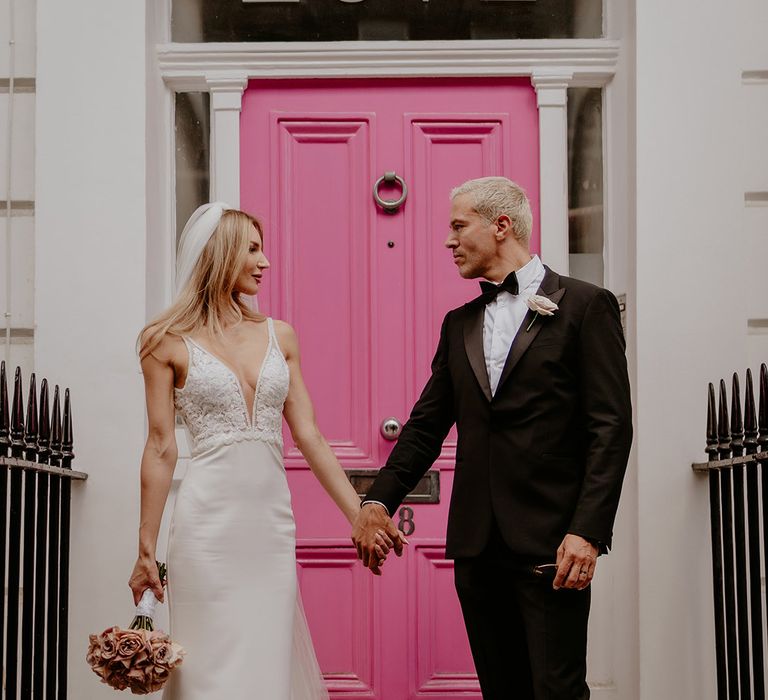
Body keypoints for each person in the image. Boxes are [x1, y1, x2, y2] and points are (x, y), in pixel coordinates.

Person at [352, 177, 632, 699]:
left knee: (557, 690)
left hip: (554, 544)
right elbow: (425, 427)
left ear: (500, 226)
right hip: (478, 548)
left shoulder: (585, 307)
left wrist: (588, 532)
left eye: (459, 226)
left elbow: (610, 429)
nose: (448, 241)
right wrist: (376, 501)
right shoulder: (458, 324)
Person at [128, 202, 362, 699]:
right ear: (222, 254)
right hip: (206, 531)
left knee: (264, 665)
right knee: (206, 669)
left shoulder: (280, 336)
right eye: (253, 249)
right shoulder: (163, 342)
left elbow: (310, 436)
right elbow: (161, 446)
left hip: (270, 530)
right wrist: (146, 550)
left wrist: (358, 514)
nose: (265, 262)